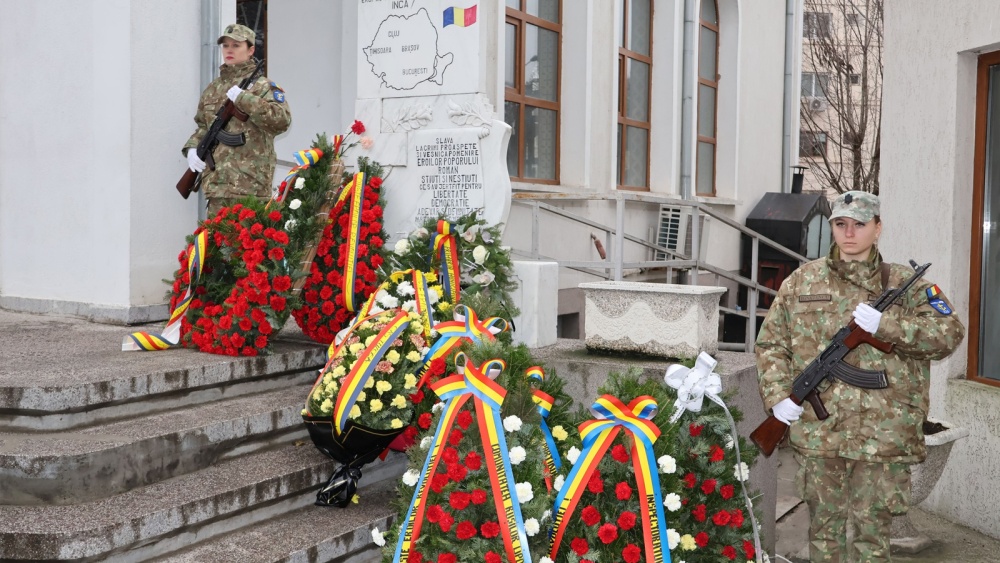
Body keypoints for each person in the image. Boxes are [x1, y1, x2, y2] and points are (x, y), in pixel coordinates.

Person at [755, 191, 965, 563]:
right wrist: (778, 397)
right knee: (823, 534)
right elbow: (771, 344)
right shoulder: (801, 281)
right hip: (820, 435)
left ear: (878, 228)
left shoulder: (907, 284)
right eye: (840, 224)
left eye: (859, 224)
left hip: (882, 436)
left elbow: (949, 334)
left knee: (873, 539)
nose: (849, 233)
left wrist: (889, 326)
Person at [183, 23, 291, 215]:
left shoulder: (263, 86)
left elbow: (281, 120)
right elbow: (203, 126)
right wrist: (192, 148)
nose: (229, 50)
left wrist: (244, 99)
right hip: (218, 186)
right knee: (216, 244)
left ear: (251, 50)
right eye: (225, 46)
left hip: (251, 187)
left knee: (250, 244)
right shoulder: (212, 89)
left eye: (236, 45)